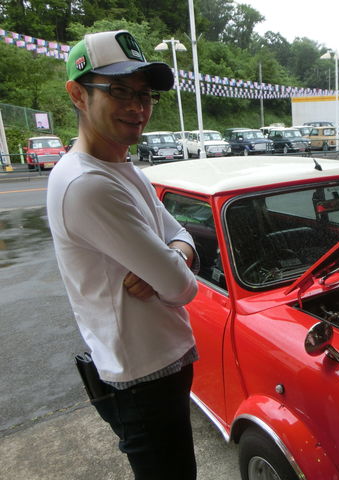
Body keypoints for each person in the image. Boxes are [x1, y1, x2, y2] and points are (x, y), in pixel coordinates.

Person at [47, 30, 199, 479]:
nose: (137, 107)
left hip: (160, 363)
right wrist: (173, 265)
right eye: (118, 91)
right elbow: (183, 288)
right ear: (78, 94)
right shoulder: (87, 184)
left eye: (144, 94)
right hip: (142, 379)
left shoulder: (120, 167)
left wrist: (174, 253)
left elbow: (181, 234)